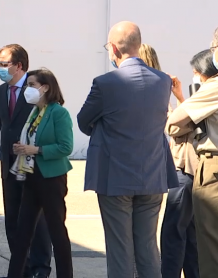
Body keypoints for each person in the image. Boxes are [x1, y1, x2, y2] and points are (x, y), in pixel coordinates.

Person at [77, 21, 178, 278]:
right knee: (147, 248)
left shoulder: (105, 83)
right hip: (153, 174)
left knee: (120, 249)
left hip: (116, 177)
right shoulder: (162, 81)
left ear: (113, 48)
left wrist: (103, 128)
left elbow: (83, 121)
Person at [139, 43, 199, 278]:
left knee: (173, 230)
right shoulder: (165, 90)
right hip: (185, 168)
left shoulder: (153, 90)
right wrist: (180, 97)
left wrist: (178, 98)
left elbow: (174, 125)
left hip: (181, 168)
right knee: (189, 231)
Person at [6, 68, 74, 278]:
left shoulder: (58, 112)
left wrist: (36, 150)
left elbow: (65, 147)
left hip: (51, 178)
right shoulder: (34, 112)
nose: (28, 89)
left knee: (56, 231)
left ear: (45, 88)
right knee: (23, 231)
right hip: (32, 176)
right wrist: (21, 147)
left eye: (32, 85)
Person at [0, 44, 52, 278]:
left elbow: (48, 122)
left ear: (19, 66)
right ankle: (21, 269)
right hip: (9, 164)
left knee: (37, 220)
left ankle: (40, 269)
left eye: (3, 64)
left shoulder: (35, 89)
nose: (0, 68)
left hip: (33, 165)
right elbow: (3, 124)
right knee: (13, 219)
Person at [167, 49, 218, 278]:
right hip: (196, 167)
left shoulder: (212, 87)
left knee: (202, 241)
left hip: (203, 167)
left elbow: (174, 122)